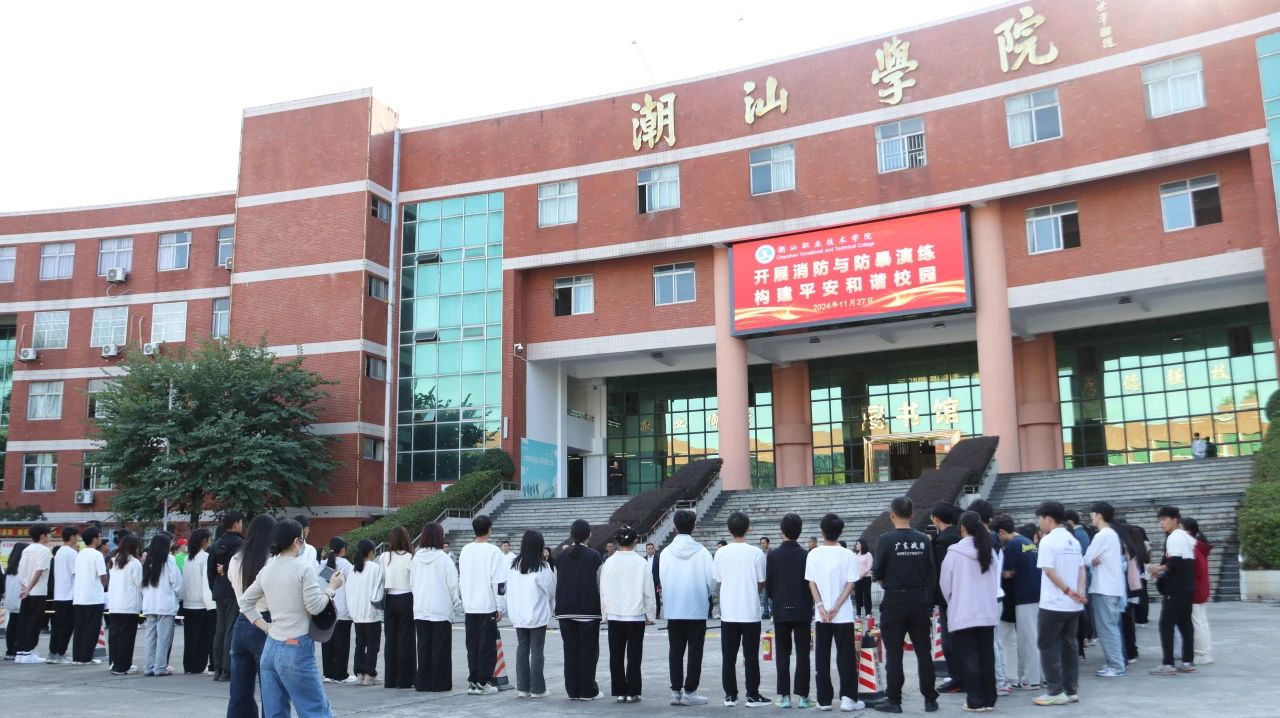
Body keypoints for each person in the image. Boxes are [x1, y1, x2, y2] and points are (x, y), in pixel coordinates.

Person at [239, 518, 344, 717]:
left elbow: (245, 603)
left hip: (271, 646)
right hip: (296, 644)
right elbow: (315, 607)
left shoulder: (267, 570)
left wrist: (266, 627)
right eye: (302, 540)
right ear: (297, 541)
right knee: (315, 709)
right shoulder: (304, 569)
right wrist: (332, 588)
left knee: (275, 711)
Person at [873, 496, 938, 714]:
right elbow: (931, 572)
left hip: (894, 600)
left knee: (894, 653)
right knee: (923, 651)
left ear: (892, 515)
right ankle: (930, 699)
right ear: (912, 514)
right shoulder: (923, 540)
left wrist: (887, 582)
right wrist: (928, 601)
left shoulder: (886, 540)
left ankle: (894, 700)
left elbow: (878, 570)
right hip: (919, 599)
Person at [939, 511, 1001, 712]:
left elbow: (945, 585)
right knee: (987, 656)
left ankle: (975, 700)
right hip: (987, 612)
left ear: (962, 528)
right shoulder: (989, 551)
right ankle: (989, 699)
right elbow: (996, 581)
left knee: (969, 658)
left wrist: (953, 601)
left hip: (963, 613)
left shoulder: (954, 553)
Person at [806, 512, 864, 712]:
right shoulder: (848, 554)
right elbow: (851, 583)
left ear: (822, 532)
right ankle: (848, 699)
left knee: (822, 656)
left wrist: (820, 606)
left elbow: (811, 582)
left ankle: (824, 700)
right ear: (841, 532)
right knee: (846, 656)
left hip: (822, 616)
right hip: (843, 614)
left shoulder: (813, 554)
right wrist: (837, 606)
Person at [1032, 501, 1086, 707]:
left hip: (1053, 604)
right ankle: (1070, 690)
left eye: (1040, 519)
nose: (1039, 523)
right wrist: (1079, 593)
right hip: (1073, 605)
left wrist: (1067, 591)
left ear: (1048, 519)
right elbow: (1081, 569)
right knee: (1069, 645)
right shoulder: (1073, 540)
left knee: (1047, 645)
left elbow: (1049, 571)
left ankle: (1055, 690)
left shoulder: (1048, 541)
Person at [713, 511, 769, 708]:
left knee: (728, 657)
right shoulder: (756, 553)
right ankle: (752, 695)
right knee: (751, 656)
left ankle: (730, 695)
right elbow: (761, 581)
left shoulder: (720, 553)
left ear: (729, 530)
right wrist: (751, 591)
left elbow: (719, 580)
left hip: (729, 612)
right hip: (750, 612)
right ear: (748, 529)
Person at [659, 509, 715, 707]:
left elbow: (663, 579)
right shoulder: (703, 552)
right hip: (696, 608)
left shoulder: (665, 553)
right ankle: (690, 691)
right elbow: (711, 581)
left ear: (674, 527)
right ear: (694, 526)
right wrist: (704, 594)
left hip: (674, 609)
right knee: (695, 651)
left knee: (675, 650)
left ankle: (676, 691)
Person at [599, 525, 656, 703]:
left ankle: (619, 691)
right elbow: (648, 591)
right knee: (634, 655)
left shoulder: (609, 562)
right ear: (635, 541)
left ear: (617, 542)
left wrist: (604, 613)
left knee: (615, 655)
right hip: (635, 614)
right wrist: (650, 614)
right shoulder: (641, 562)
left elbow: (603, 590)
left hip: (615, 614)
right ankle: (633, 691)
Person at [228, 514, 277, 715]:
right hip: (264, 621)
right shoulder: (271, 561)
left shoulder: (236, 558)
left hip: (241, 621)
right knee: (270, 688)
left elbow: (232, 582)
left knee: (239, 691)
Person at [766, 513, 814, 709]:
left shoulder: (773, 555)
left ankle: (784, 697)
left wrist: (778, 599)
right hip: (802, 610)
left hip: (781, 609)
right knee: (803, 654)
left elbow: (770, 587)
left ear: (782, 531)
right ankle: (803, 697)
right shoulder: (806, 555)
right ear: (799, 532)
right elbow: (810, 584)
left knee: (782, 653)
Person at [555, 519, 604, 701]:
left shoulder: (560, 556)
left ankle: (572, 690)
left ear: (571, 534)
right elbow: (600, 584)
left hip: (565, 610)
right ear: (589, 535)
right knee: (588, 651)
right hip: (588, 610)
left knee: (570, 651)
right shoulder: (594, 556)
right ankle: (587, 690)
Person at [459, 514, 507, 695]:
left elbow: (462, 578)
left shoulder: (465, 550)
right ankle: (483, 682)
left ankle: (473, 681)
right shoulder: (493, 551)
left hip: (470, 606)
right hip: (487, 605)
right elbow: (499, 582)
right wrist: (500, 606)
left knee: (472, 645)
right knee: (486, 646)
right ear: (489, 530)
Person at [411, 522, 461, 692]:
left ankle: (423, 681)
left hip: (421, 608)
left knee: (423, 647)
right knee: (440, 648)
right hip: (440, 609)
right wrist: (457, 604)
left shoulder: (416, 558)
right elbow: (453, 584)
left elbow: (412, 583)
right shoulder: (444, 559)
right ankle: (439, 682)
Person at [507, 529, 557, 699]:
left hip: (518, 614)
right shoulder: (542, 567)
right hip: (537, 614)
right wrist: (550, 607)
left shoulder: (513, 565)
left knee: (522, 649)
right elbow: (551, 591)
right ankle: (537, 689)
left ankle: (523, 688)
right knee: (536, 651)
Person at [1149, 505, 1196, 676]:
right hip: (1187, 587)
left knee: (1166, 625)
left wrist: (1158, 569)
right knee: (1185, 625)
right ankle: (1187, 661)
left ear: (1175, 520)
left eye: (1164, 520)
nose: (1161, 523)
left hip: (1175, 588)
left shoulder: (1173, 538)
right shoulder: (1186, 536)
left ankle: (1168, 664)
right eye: (1160, 520)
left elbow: (1175, 562)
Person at [1083, 502, 1126, 678]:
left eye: (1092, 515)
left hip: (1104, 588)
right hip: (1112, 587)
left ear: (1099, 515)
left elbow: (1086, 559)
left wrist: (1091, 560)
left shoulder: (1102, 535)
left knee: (1107, 628)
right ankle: (1115, 663)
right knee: (1111, 627)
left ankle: (1116, 665)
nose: (1091, 518)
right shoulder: (1112, 534)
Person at [997, 520, 1041, 690]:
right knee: (1034, 638)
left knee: (1027, 640)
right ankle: (1040, 676)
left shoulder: (1012, 545)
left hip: (1023, 596)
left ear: (1002, 532)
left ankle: (1031, 679)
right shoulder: (1028, 542)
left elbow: (1008, 573)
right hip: (1035, 594)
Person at [929, 502, 963, 693]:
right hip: (962, 594)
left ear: (936, 518)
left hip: (947, 596)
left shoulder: (942, 541)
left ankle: (957, 677)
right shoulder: (959, 536)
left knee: (949, 639)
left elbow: (942, 572)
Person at [209, 510, 245, 682]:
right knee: (231, 628)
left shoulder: (216, 544)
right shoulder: (240, 544)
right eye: (241, 523)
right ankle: (227, 669)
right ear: (236, 524)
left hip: (218, 590)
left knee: (220, 629)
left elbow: (210, 571)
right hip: (233, 591)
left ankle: (217, 668)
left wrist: (214, 587)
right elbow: (238, 568)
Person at [378, 526, 415, 688]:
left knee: (391, 639)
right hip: (406, 597)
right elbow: (414, 580)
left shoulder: (385, 556)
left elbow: (382, 577)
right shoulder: (410, 557)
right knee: (406, 639)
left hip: (390, 599)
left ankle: (390, 679)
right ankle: (405, 679)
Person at [140, 532, 182, 676]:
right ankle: (159, 667)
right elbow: (176, 582)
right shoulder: (169, 559)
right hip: (165, 604)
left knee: (150, 637)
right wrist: (178, 597)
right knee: (163, 638)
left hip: (149, 604)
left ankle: (149, 666)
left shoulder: (148, 560)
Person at [347, 538, 384, 686]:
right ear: (370, 552)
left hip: (357, 613)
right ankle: (370, 674)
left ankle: (359, 674)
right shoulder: (375, 568)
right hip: (371, 612)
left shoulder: (352, 569)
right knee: (373, 645)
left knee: (360, 644)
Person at [14, 524, 53, 664]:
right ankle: (28, 652)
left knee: (24, 622)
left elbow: (21, 570)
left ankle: (21, 652)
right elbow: (39, 571)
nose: (50, 536)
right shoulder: (44, 550)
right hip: (37, 591)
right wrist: (30, 587)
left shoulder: (27, 549)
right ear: (43, 535)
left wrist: (25, 588)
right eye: (49, 533)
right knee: (34, 623)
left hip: (25, 591)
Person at [180, 528, 217, 674]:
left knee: (190, 637)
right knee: (202, 637)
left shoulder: (188, 558)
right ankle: (198, 665)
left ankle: (189, 665)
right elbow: (206, 583)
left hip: (188, 603)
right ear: (204, 541)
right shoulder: (205, 557)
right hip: (201, 604)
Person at [70, 527, 108, 665]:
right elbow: (103, 575)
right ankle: (86, 657)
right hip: (93, 597)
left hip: (79, 597)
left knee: (80, 629)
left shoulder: (80, 554)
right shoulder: (97, 555)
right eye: (99, 536)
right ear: (94, 539)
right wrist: (102, 586)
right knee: (91, 629)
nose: (100, 539)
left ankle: (78, 657)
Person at [106, 534, 142, 675]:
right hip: (130, 604)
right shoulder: (134, 563)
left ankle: (114, 663)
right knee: (127, 637)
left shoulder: (113, 561)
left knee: (115, 636)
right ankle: (123, 666)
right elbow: (140, 584)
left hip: (114, 604)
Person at [322, 536, 356, 685]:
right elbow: (352, 586)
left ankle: (328, 673)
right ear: (343, 549)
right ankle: (341, 674)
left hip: (325, 607)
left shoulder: (323, 564)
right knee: (342, 642)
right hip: (342, 609)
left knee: (327, 642)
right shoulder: (346, 565)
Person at [1182, 517, 1213, 665]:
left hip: (1195, 589)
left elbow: (1196, 570)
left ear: (1188, 532)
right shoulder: (1198, 546)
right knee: (1200, 621)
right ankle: (1204, 651)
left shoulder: (1193, 548)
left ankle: (1201, 653)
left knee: (1197, 622)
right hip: (1200, 588)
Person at [48, 525, 81, 664]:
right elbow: (77, 573)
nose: (78, 538)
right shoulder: (72, 553)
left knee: (57, 626)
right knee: (67, 627)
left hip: (59, 595)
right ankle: (61, 653)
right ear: (72, 537)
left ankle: (53, 653)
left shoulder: (60, 552)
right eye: (77, 535)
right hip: (69, 595)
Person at [4, 542, 30, 661]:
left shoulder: (10, 568)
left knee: (12, 624)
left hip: (11, 601)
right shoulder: (23, 568)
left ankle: (10, 651)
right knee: (21, 625)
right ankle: (19, 650)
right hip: (20, 600)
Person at [852, 539, 874, 618]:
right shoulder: (855, 554)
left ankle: (868, 612)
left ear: (862, 545)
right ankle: (858, 613)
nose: (856, 545)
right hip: (857, 578)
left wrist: (861, 575)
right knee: (858, 596)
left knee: (867, 595)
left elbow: (868, 567)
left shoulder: (868, 554)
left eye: (858, 544)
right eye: (856, 544)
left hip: (866, 578)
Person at [646, 542, 662, 619]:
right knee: (646, 598)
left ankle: (657, 614)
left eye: (651, 549)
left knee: (657, 598)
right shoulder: (643, 559)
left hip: (656, 582)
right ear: (646, 550)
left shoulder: (658, 559)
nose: (650, 550)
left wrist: (660, 583)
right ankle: (647, 614)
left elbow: (661, 571)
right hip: (646, 582)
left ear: (654, 549)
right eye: (648, 549)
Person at [757, 536, 772, 619]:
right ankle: (766, 612)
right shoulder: (759, 554)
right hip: (763, 577)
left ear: (768, 543)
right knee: (764, 596)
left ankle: (772, 612)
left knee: (772, 596)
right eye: (761, 543)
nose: (762, 544)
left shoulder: (772, 553)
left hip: (771, 577)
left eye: (764, 543)